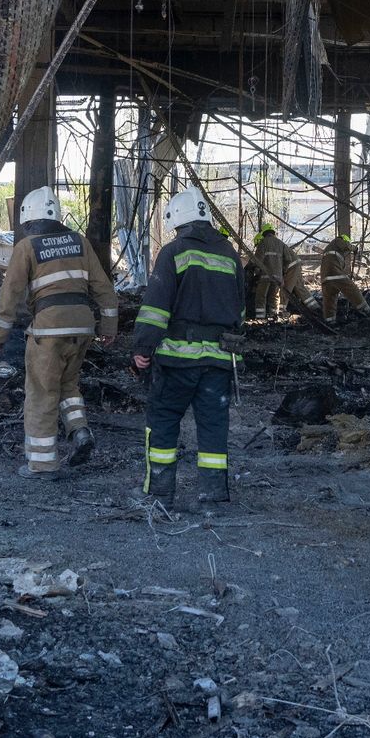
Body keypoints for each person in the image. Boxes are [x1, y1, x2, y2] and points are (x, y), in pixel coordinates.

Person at [0, 186, 118, 477]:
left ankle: (42, 463)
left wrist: (0, 334)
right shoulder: (80, 242)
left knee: (41, 394)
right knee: (67, 385)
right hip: (82, 327)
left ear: (28, 220)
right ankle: (79, 430)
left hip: (49, 330)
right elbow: (104, 290)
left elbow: (10, 294)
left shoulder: (27, 246)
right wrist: (108, 327)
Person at [131, 190, 243, 510]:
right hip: (219, 361)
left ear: (177, 221)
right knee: (213, 427)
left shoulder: (173, 252)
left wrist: (143, 347)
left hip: (177, 360)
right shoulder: (230, 255)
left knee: (163, 420)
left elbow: (156, 307)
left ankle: (160, 494)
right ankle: (213, 497)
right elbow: (240, 310)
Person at [252, 223, 306, 318]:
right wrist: (283, 271)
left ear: (264, 233)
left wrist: (255, 271)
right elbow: (288, 259)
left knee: (261, 295)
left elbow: (258, 260)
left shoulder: (263, 243)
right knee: (274, 297)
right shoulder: (281, 243)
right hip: (277, 277)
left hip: (265, 276)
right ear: (273, 232)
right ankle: (273, 315)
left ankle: (260, 317)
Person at [319, 232, 367, 323]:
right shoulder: (338, 240)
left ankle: (330, 321)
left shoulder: (332, 249)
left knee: (330, 299)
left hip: (325, 277)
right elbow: (346, 246)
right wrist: (354, 248)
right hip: (334, 272)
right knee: (352, 289)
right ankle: (366, 310)